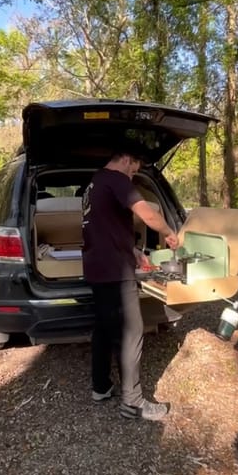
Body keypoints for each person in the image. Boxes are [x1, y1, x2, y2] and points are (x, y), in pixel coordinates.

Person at [81, 140, 179, 421]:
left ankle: (101, 387)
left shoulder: (94, 183)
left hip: (97, 266)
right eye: (134, 169)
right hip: (116, 271)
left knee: (103, 327)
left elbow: (103, 227)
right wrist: (169, 233)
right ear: (126, 160)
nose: (134, 175)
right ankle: (133, 403)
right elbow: (147, 214)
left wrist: (132, 249)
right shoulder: (117, 179)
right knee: (132, 332)